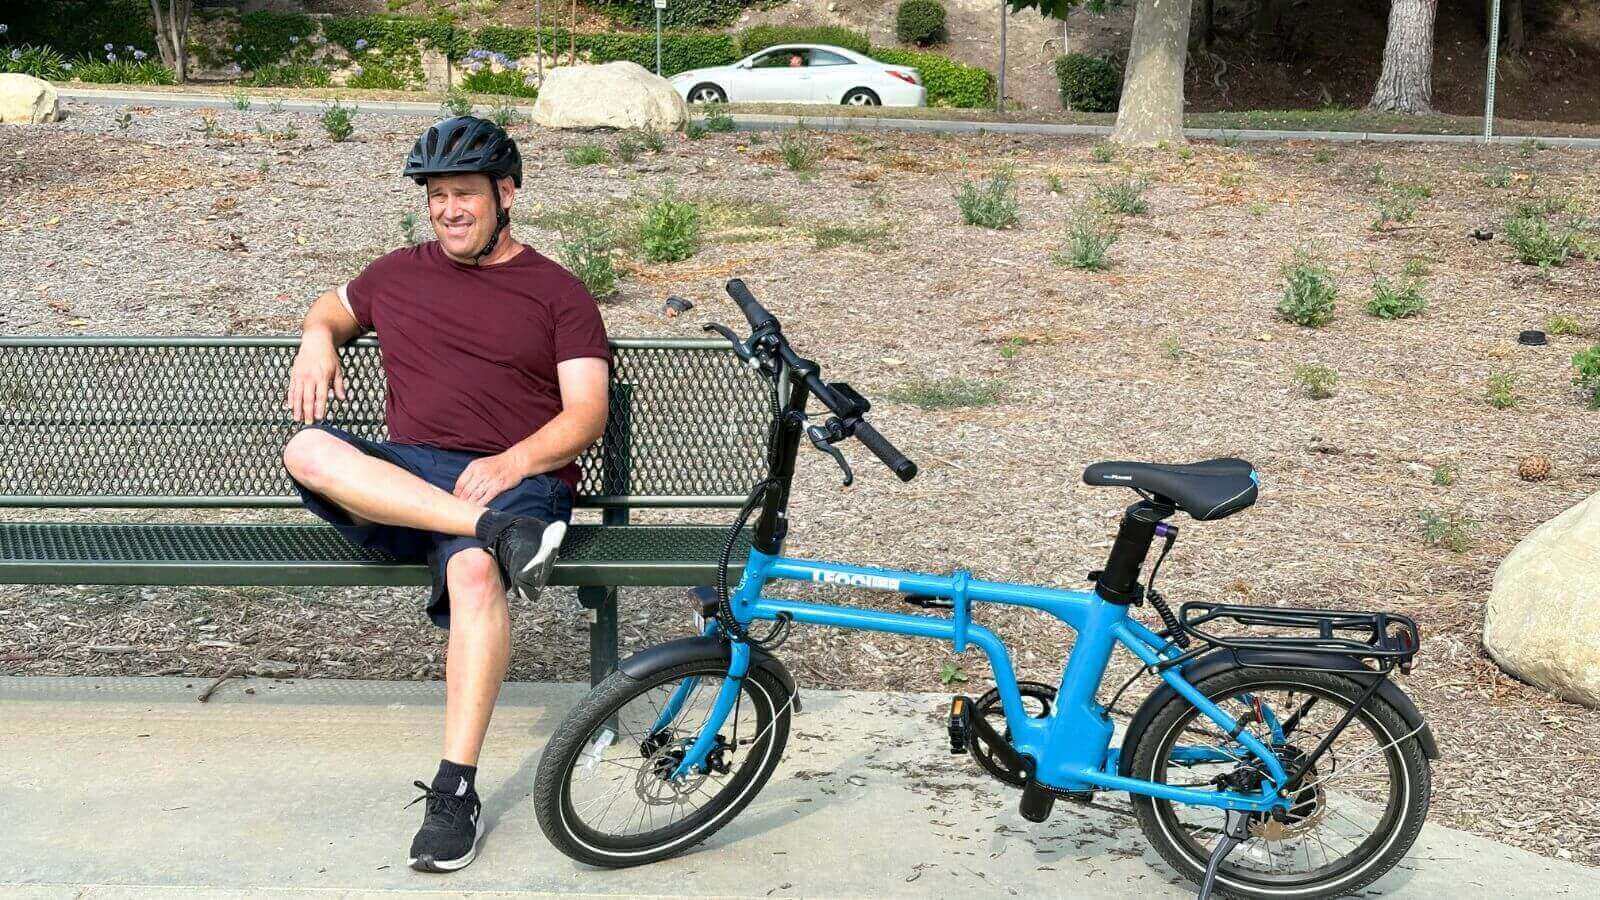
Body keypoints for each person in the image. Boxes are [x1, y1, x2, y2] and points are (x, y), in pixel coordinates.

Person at [280, 115, 610, 873]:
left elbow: (586, 414)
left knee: (471, 574)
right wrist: (316, 336)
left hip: (516, 478)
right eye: (436, 196)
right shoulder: (396, 273)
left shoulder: (558, 293)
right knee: (306, 447)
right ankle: (493, 532)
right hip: (414, 477)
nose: (449, 210)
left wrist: (512, 460)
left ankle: (455, 791)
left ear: (506, 194)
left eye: (465, 194)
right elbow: (332, 307)